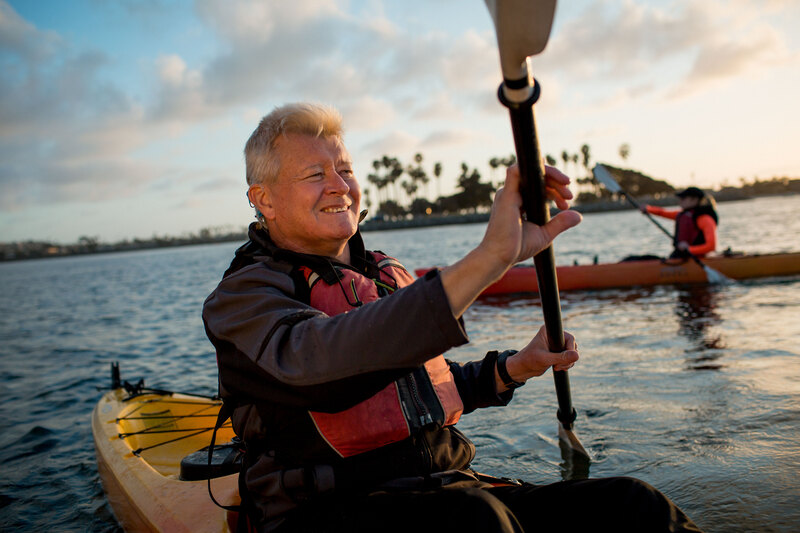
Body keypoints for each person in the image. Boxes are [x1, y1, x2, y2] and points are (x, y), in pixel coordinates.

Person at [203, 102, 703, 532]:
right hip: (322, 513)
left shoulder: (380, 273)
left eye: (346, 170)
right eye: (315, 175)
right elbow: (322, 368)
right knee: (474, 519)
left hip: (446, 488)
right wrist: (492, 258)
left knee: (633, 506)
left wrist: (516, 367)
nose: (340, 186)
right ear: (263, 199)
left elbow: (424, 393)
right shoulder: (243, 299)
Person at [641, 186, 719, 258]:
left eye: (683, 198)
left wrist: (689, 249)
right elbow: (663, 212)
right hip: (682, 257)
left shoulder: (704, 219)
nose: (680, 201)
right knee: (633, 259)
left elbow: (711, 246)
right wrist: (648, 209)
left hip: (696, 258)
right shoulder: (684, 215)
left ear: (695, 200)